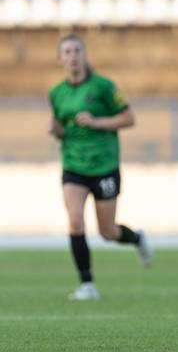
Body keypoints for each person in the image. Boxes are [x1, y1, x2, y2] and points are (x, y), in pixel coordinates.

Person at [49, 35, 153, 301]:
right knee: (75, 221)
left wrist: (97, 122)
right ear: (61, 59)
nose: (72, 56)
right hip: (73, 165)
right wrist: (56, 130)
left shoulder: (104, 87)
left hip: (104, 166)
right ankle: (87, 285)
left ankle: (137, 239)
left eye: (77, 51)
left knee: (107, 232)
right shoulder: (56, 93)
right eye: (67, 52)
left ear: (84, 55)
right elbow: (60, 126)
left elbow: (129, 118)